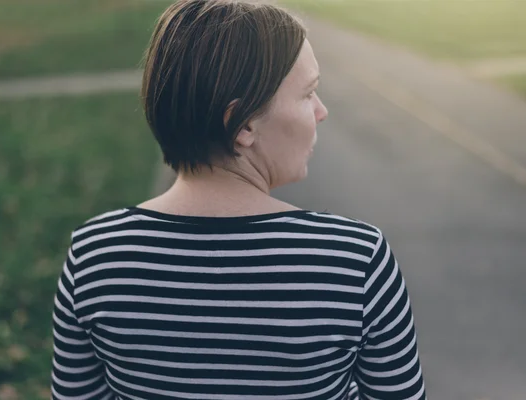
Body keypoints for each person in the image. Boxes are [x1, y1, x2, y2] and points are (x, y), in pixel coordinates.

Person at [50, 0, 427, 399]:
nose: (322, 111)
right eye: (308, 94)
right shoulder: (355, 260)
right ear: (242, 124)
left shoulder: (95, 256)